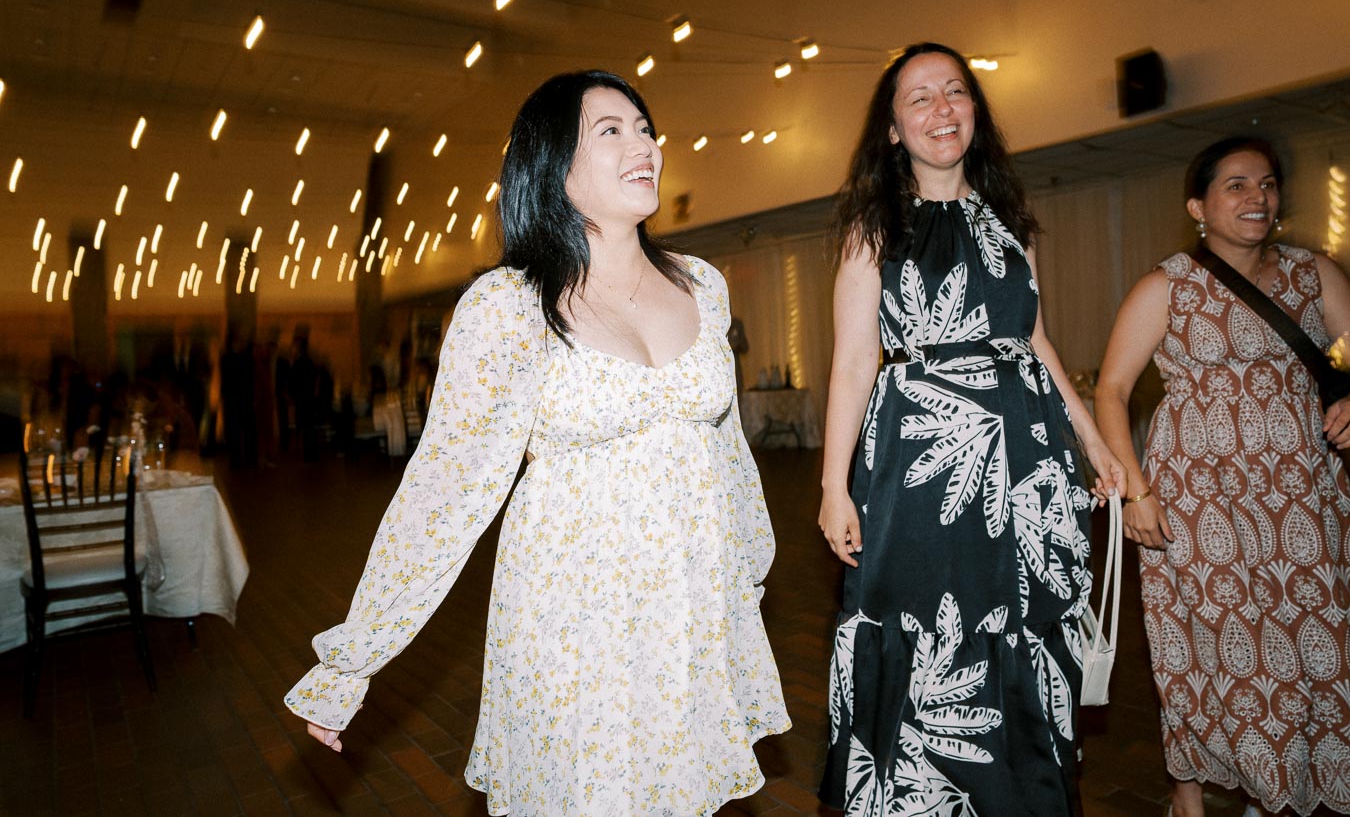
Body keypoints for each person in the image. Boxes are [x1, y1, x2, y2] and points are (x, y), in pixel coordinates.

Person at [285, 70, 789, 816]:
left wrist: (746, 572)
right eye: (610, 131)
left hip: (687, 608)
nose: (642, 144)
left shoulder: (702, 285)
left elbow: (726, 448)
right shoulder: (509, 307)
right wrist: (351, 662)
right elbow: (444, 492)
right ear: (552, 166)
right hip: (572, 619)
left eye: (644, 127)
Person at [816, 41, 1125, 815]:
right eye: (918, 98)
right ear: (891, 129)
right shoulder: (873, 227)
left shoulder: (1007, 223)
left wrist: (1093, 442)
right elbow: (854, 364)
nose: (940, 109)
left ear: (976, 113)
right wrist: (832, 486)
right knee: (931, 626)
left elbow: (1037, 342)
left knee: (1025, 624)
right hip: (926, 465)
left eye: (954, 92)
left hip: (1027, 460)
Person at [1094, 136, 1350, 817]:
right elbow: (1112, 390)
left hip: (1304, 494)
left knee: (1313, 639)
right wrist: (1135, 493)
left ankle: (1288, 784)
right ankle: (1189, 789)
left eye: (1266, 184)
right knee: (1204, 642)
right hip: (1200, 501)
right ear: (1197, 206)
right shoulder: (1166, 285)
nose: (1257, 197)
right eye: (1235, 185)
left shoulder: (1314, 273)